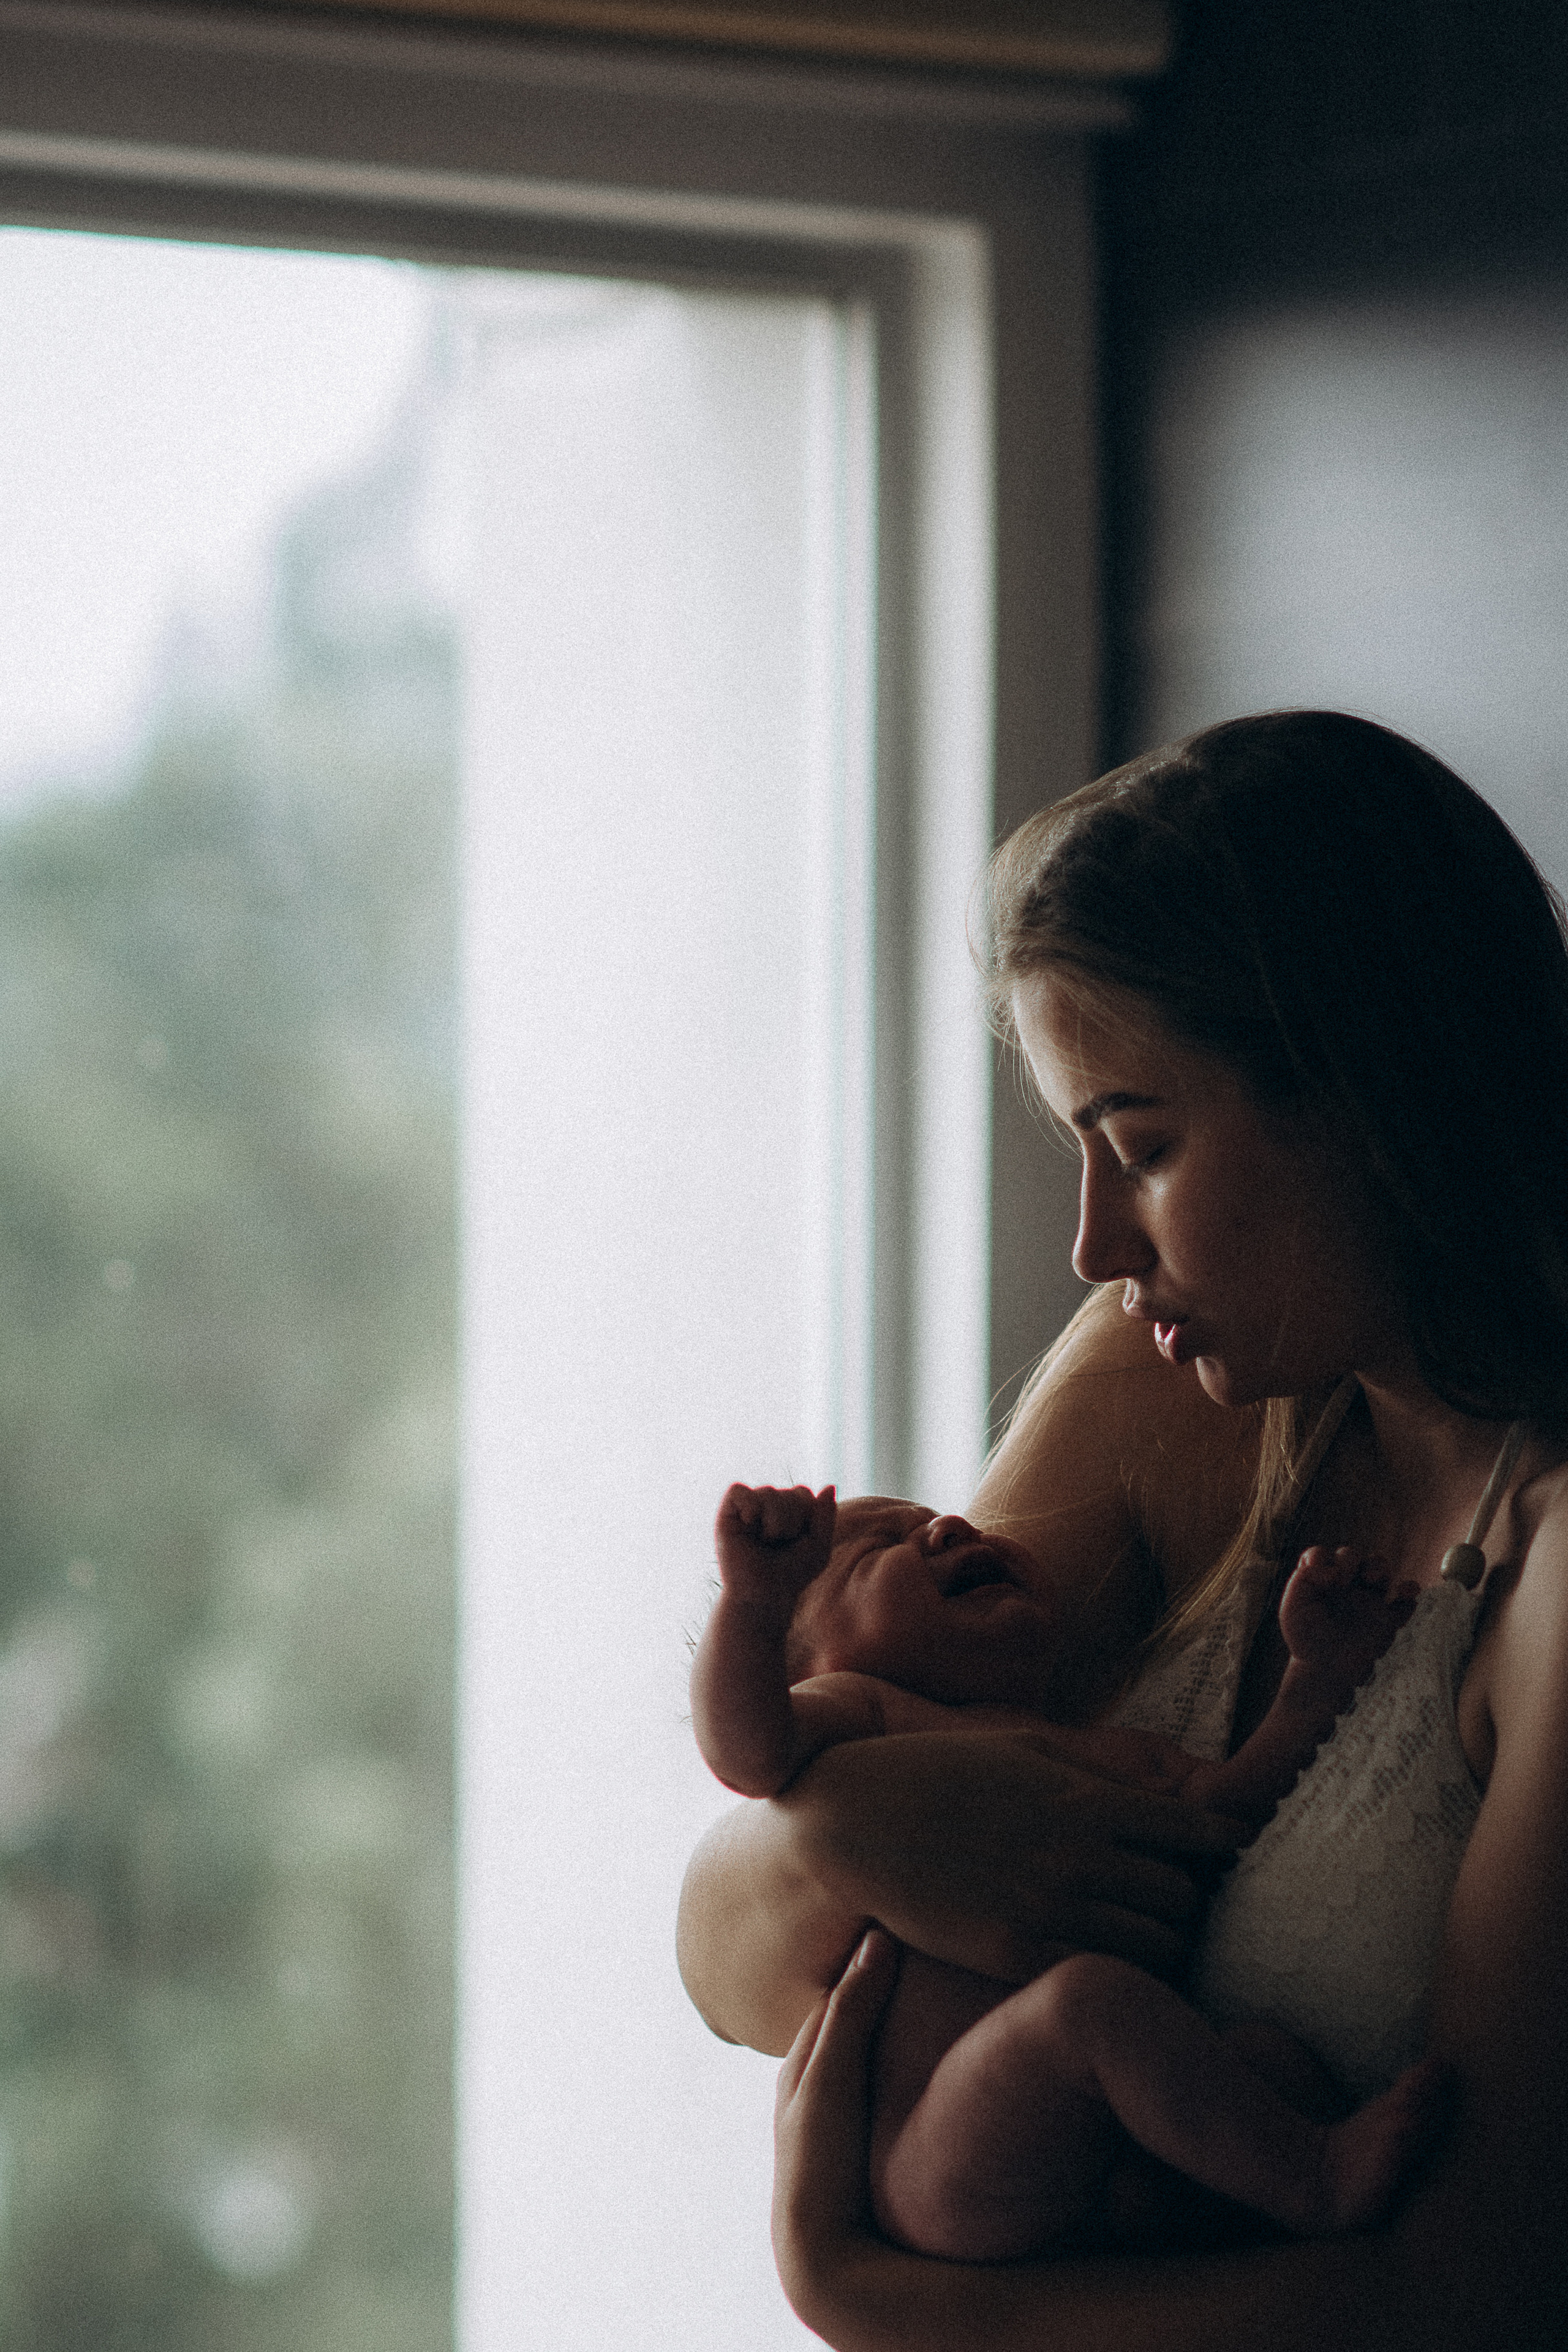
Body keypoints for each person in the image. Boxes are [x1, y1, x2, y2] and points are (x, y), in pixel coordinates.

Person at [676, 712, 1568, 2348]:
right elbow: (727, 1960)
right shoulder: (1174, 1389)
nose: (1095, 1245)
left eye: (1142, 1149)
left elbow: (1484, 2288)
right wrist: (838, 1837)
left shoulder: (1551, 1565)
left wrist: (880, 2303)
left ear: (1372, 1097)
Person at [693, 1479, 1441, 2258]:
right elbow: (749, 1754)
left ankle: (1193, 2225)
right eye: (878, 1550)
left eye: (937, 1520)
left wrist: (1313, 1683)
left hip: (1091, 2135)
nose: (948, 1527)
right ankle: (1316, 2179)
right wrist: (754, 1605)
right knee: (1089, 2009)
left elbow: (1220, 1816)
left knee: (1273, 2066)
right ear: (815, 1671)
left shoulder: (1093, 1749)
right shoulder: (865, 1716)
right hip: (938, 2159)